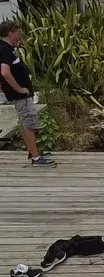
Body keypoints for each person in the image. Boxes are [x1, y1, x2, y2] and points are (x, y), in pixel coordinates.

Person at [0, 20, 54, 167]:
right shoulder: (4, 49)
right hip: (20, 95)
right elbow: (4, 72)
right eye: (18, 33)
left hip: (22, 95)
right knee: (28, 124)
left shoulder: (8, 49)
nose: (20, 36)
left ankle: (33, 151)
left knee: (26, 123)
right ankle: (36, 158)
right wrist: (19, 89)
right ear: (10, 33)